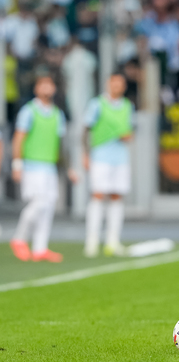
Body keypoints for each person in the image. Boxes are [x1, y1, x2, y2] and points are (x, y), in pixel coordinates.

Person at [10, 75, 77, 263]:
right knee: (39, 203)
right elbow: (18, 139)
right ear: (36, 89)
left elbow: (62, 145)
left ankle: (40, 248)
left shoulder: (57, 114)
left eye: (50, 84)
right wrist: (17, 164)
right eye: (43, 84)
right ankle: (19, 238)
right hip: (32, 165)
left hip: (49, 166)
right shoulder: (28, 111)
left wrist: (69, 168)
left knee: (48, 207)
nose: (47, 88)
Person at [83, 73, 134, 258]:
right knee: (98, 195)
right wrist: (85, 154)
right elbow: (86, 130)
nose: (117, 87)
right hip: (100, 156)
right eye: (114, 83)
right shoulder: (97, 104)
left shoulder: (128, 106)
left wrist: (128, 136)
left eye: (120, 84)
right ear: (108, 84)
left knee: (116, 196)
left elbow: (129, 130)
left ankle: (112, 241)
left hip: (120, 158)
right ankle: (92, 241)